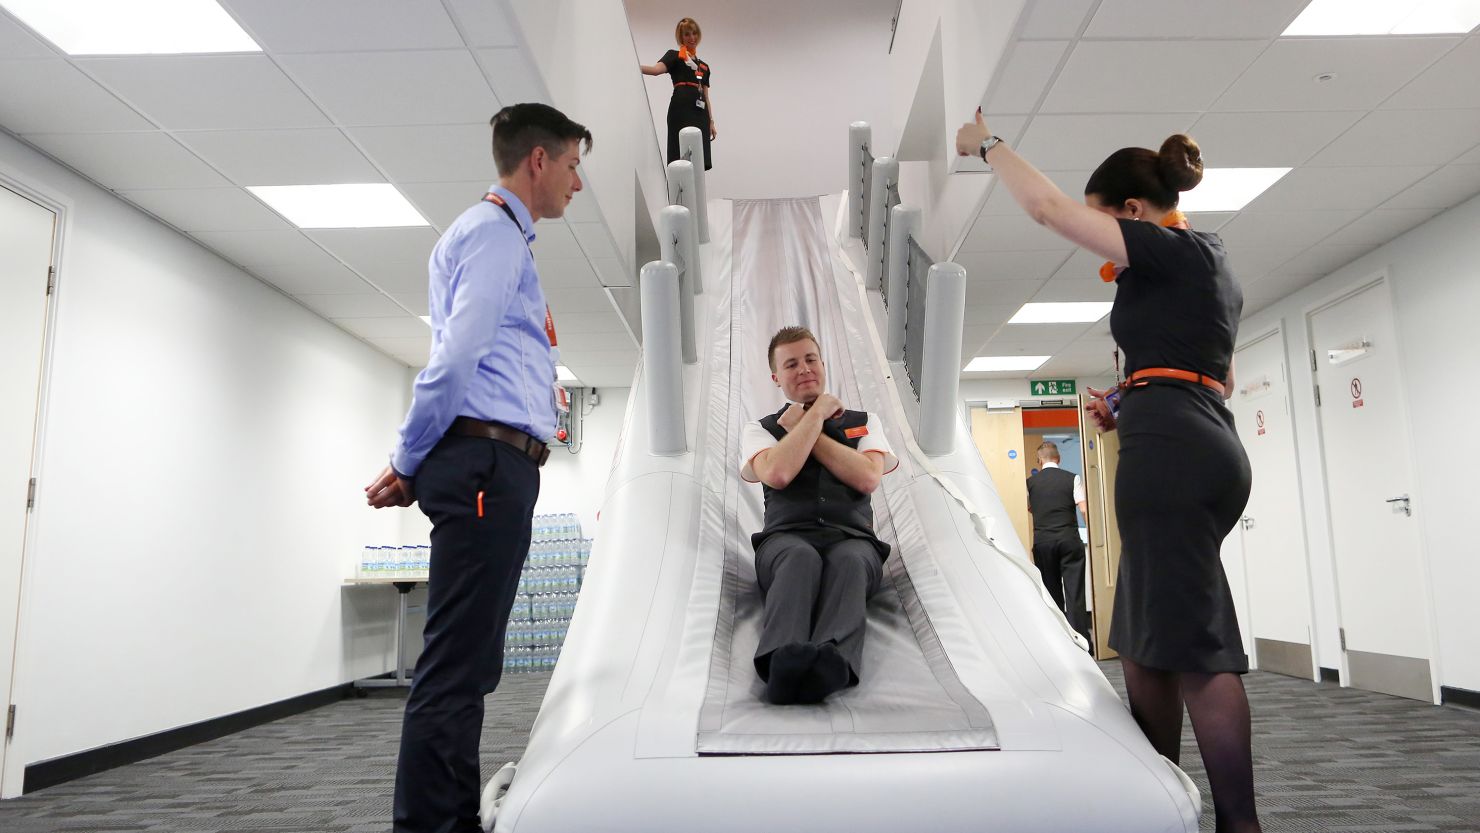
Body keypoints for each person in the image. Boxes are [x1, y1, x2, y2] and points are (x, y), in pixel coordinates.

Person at [956, 113, 1258, 832]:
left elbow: (1046, 208)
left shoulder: (1172, 247)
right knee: (1151, 632)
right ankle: (1156, 803)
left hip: (1176, 455)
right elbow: (1219, 375)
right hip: (1192, 437)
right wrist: (1129, 399)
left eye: (1107, 225)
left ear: (1131, 211)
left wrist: (986, 146)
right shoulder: (1209, 268)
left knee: (1196, 639)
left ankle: (1240, 823)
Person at [363, 102, 591, 833]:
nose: (576, 183)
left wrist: (419, 460)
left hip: (491, 463)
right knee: (457, 669)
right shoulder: (493, 234)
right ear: (538, 161)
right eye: (572, 165)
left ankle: (448, 818)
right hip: (486, 463)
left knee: (468, 666)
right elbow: (454, 357)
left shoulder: (498, 239)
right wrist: (408, 457)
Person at [740, 326, 898, 705]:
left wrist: (810, 427)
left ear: (823, 363)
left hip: (853, 540)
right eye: (791, 364)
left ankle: (833, 662)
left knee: (850, 561)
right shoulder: (758, 429)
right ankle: (780, 663)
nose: (804, 368)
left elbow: (867, 476)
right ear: (777, 378)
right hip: (784, 542)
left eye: (811, 359)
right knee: (799, 557)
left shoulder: (865, 422)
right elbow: (777, 473)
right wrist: (814, 416)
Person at [1026, 441, 1091, 645]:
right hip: (1069, 539)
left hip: (1044, 542)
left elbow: (1031, 508)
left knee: (1052, 593)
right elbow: (1083, 508)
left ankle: (1059, 642)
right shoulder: (1072, 478)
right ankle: (1081, 641)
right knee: (1075, 593)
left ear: (1039, 460)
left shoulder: (1030, 483)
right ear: (1058, 459)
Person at [640, 16, 715, 170]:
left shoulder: (704, 67)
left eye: (694, 33)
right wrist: (633, 65)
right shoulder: (674, 55)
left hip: (700, 114)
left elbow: (706, 97)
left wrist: (711, 121)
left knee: (699, 160)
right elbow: (655, 70)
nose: (691, 38)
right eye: (687, 34)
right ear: (681, 37)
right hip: (680, 110)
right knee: (679, 156)